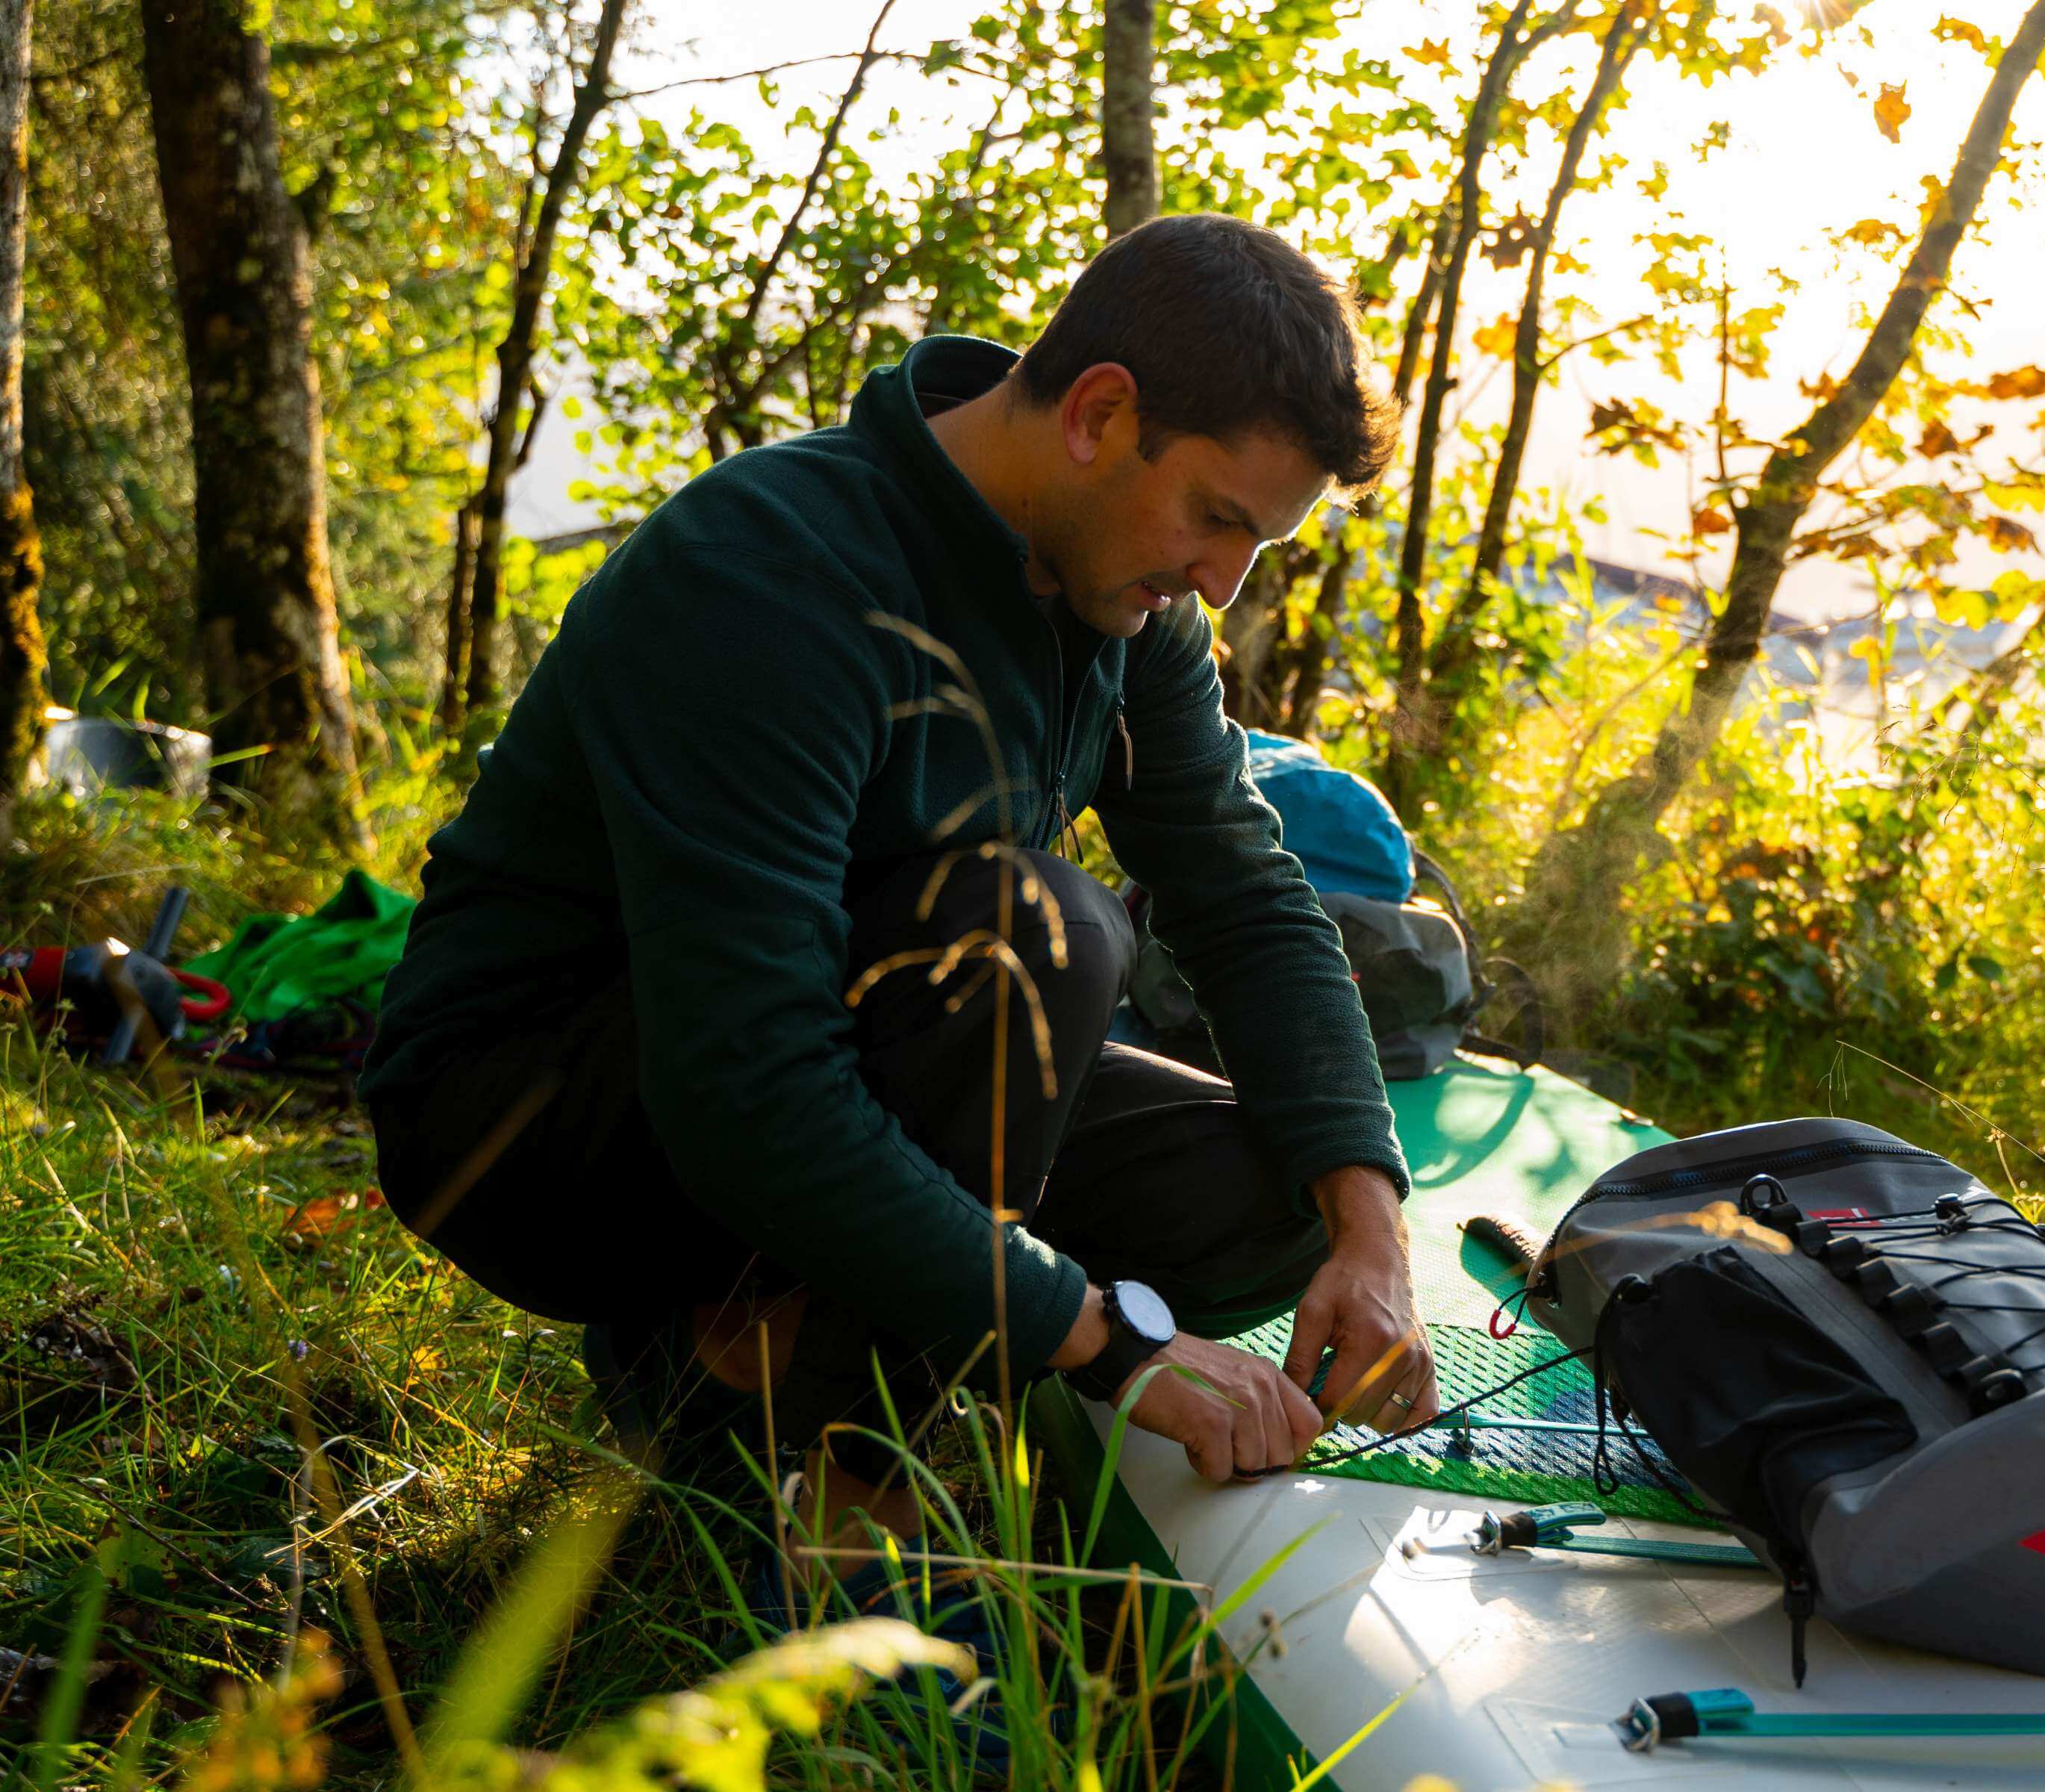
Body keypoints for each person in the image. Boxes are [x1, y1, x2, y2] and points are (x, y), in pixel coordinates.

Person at [358, 214, 1439, 1584]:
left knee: (1271, 1192)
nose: (1221, 582)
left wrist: (1368, 1222)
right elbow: (746, 1085)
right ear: (1102, 415)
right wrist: (1115, 1347)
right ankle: (826, 1500)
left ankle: (831, 1319)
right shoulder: (770, 570)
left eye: (1257, 545)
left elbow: (1246, 892)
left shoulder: (1130, 605)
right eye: (1219, 519)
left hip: (842, 1055)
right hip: (541, 1122)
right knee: (1038, 935)